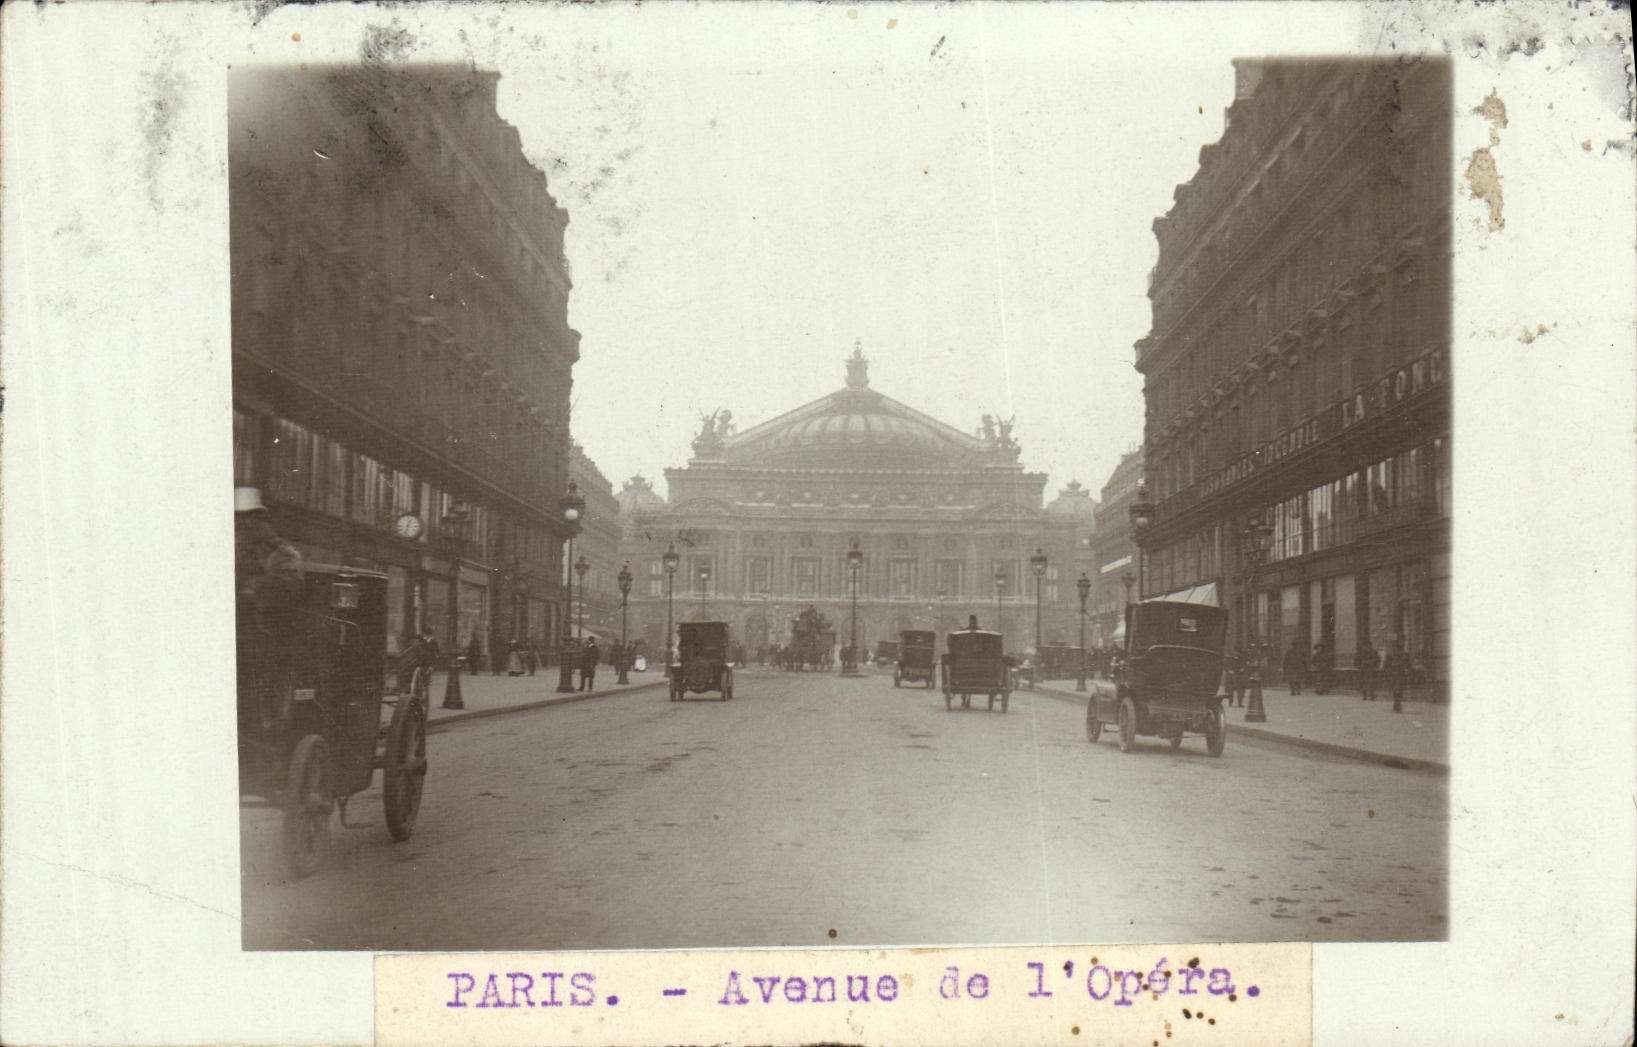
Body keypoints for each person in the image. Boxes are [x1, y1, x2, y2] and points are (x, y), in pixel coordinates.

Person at [1384, 641, 1410, 713]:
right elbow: (1409, 665)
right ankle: (1397, 703)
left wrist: (1387, 673)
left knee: (1397, 690)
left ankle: (1397, 703)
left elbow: (1385, 666)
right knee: (1398, 690)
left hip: (1395, 675)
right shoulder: (1404, 655)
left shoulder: (1391, 656)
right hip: (1399, 675)